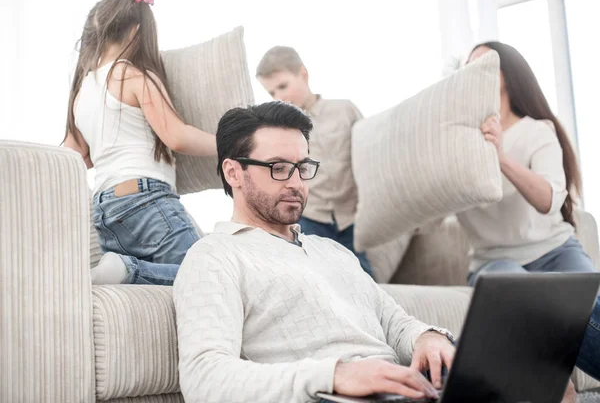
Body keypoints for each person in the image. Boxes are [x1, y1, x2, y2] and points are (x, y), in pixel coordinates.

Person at [173, 101, 455, 402]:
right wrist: (334, 375)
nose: (296, 183)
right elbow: (204, 380)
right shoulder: (215, 256)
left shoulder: (333, 251)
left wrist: (427, 337)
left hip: (404, 392)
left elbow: (394, 323)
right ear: (233, 173)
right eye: (278, 168)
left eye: (302, 167)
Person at [458, 41, 600, 396]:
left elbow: (548, 200)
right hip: (494, 260)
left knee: (589, 311)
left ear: (507, 74)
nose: (474, 72)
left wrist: (502, 157)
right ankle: (556, 384)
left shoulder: (537, 130)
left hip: (555, 251)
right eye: (468, 66)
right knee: (517, 292)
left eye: (484, 64)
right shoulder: (458, 142)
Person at [63, 0, 216, 285]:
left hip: (105, 213)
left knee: (173, 287)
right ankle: (127, 269)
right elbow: (176, 136)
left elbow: (74, 157)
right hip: (145, 199)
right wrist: (230, 143)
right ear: (136, 31)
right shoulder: (132, 76)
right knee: (206, 278)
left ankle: (125, 269)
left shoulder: (81, 91)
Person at [256, 46, 373, 277]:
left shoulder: (344, 110)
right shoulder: (281, 131)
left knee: (364, 279)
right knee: (318, 279)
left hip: (351, 217)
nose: (279, 97)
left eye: (283, 86)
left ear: (303, 74)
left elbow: (369, 156)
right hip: (311, 218)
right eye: (271, 93)